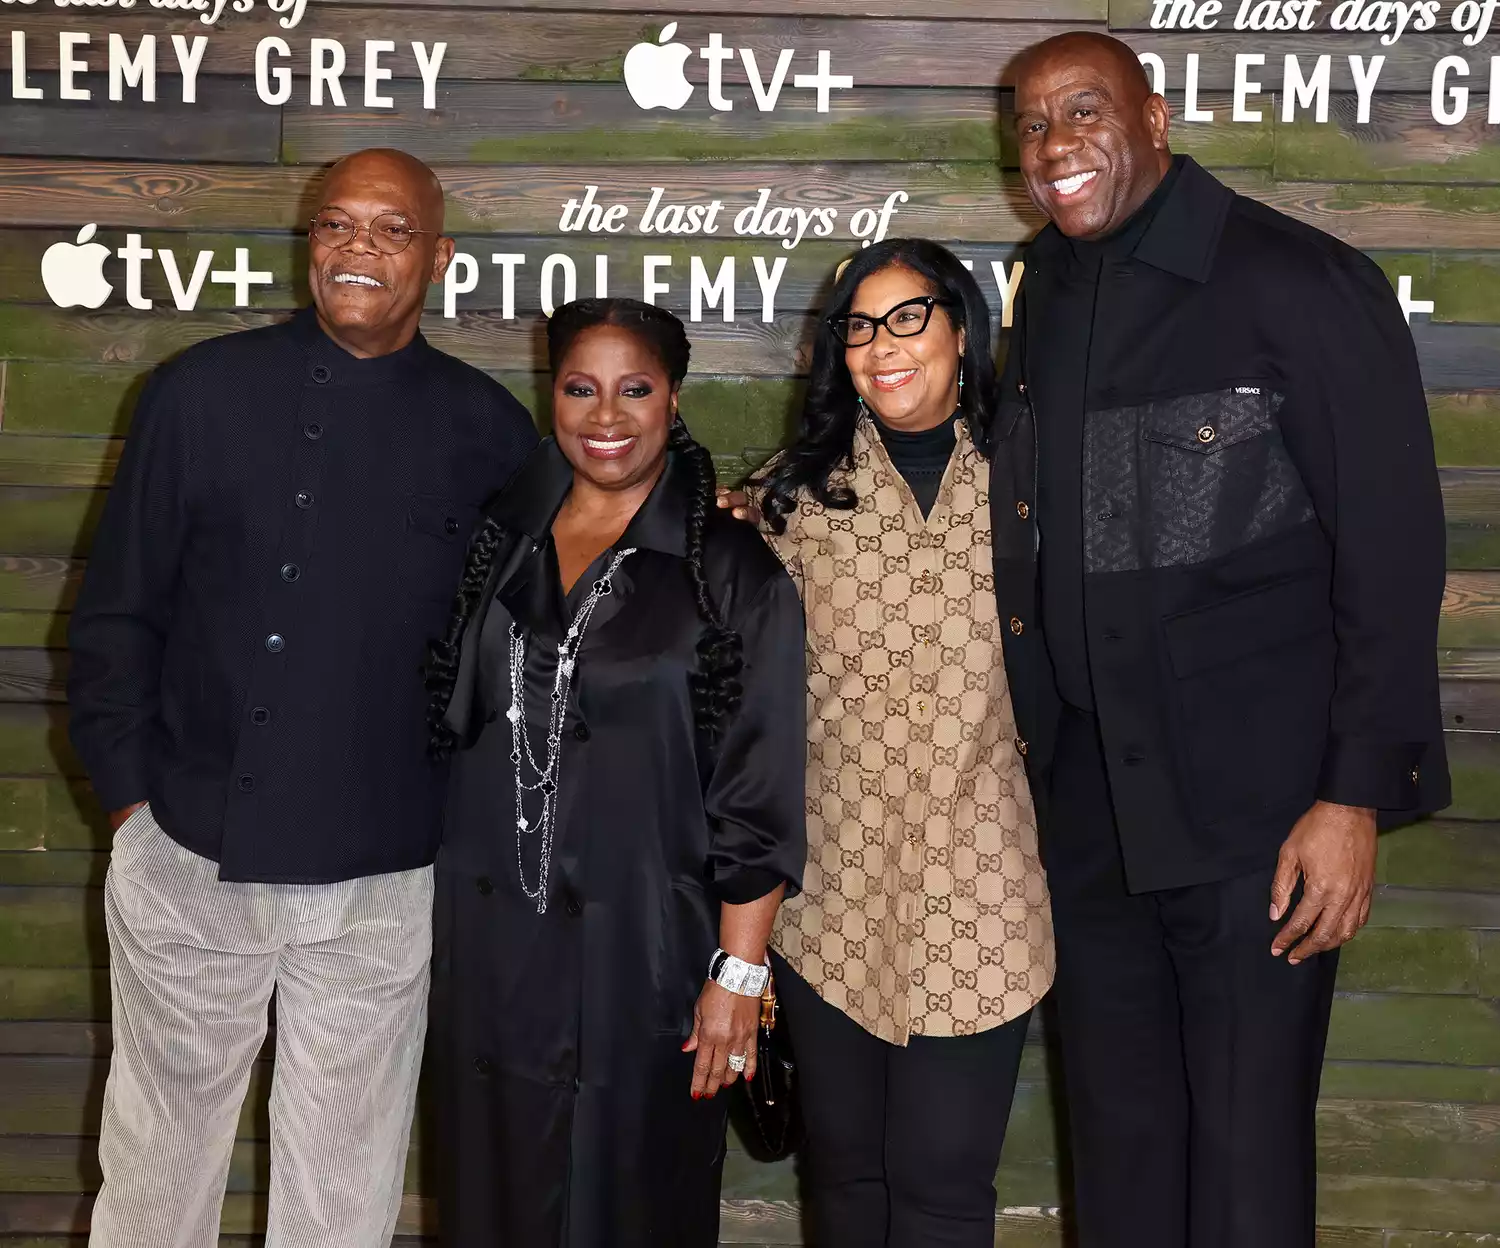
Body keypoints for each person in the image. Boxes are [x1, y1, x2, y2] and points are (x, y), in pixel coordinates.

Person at [990, 32, 1450, 1247]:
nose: (1054, 147)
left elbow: (1394, 557)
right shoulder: (1041, 294)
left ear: (1155, 115)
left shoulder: (1297, 281)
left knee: (1246, 1166)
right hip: (1090, 811)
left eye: (1083, 112)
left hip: (1261, 818)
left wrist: (1353, 797)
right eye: (1031, 126)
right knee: (1120, 1154)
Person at [65, 148, 539, 1248]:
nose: (358, 250)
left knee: (342, 1188)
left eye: (390, 230)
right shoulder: (193, 392)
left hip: (379, 883)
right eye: (337, 226)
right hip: (186, 853)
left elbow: (524, 639)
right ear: (308, 243)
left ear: (439, 258)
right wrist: (133, 804)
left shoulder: (488, 429)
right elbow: (115, 613)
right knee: (153, 1169)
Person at [423, 296, 807, 1247]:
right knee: (490, 1199)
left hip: (651, 958)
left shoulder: (729, 568)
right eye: (580, 388)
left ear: (674, 398)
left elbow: (759, 791)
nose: (607, 416)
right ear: (548, 394)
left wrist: (739, 974)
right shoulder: (500, 541)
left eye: (635, 389)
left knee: (632, 1202)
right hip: (490, 953)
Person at [746, 239, 1054, 1248]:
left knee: (943, 1185)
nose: (883, 347)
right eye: (860, 327)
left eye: (909, 318)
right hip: (831, 901)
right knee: (844, 1179)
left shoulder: (1032, 485)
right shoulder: (789, 503)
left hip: (984, 900)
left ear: (962, 330)